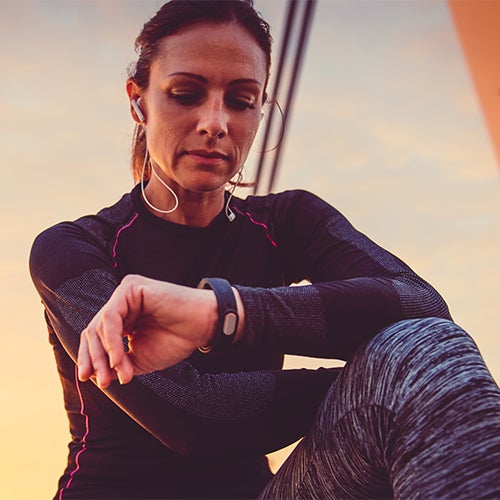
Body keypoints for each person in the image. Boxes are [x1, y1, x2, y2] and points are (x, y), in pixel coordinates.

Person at [29, 0, 500, 499]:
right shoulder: (74, 250)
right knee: (406, 371)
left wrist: (224, 313)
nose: (215, 122)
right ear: (138, 101)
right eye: (186, 93)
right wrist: (375, 385)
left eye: (240, 100)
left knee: (421, 353)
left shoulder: (289, 222)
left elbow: (422, 308)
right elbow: (197, 420)